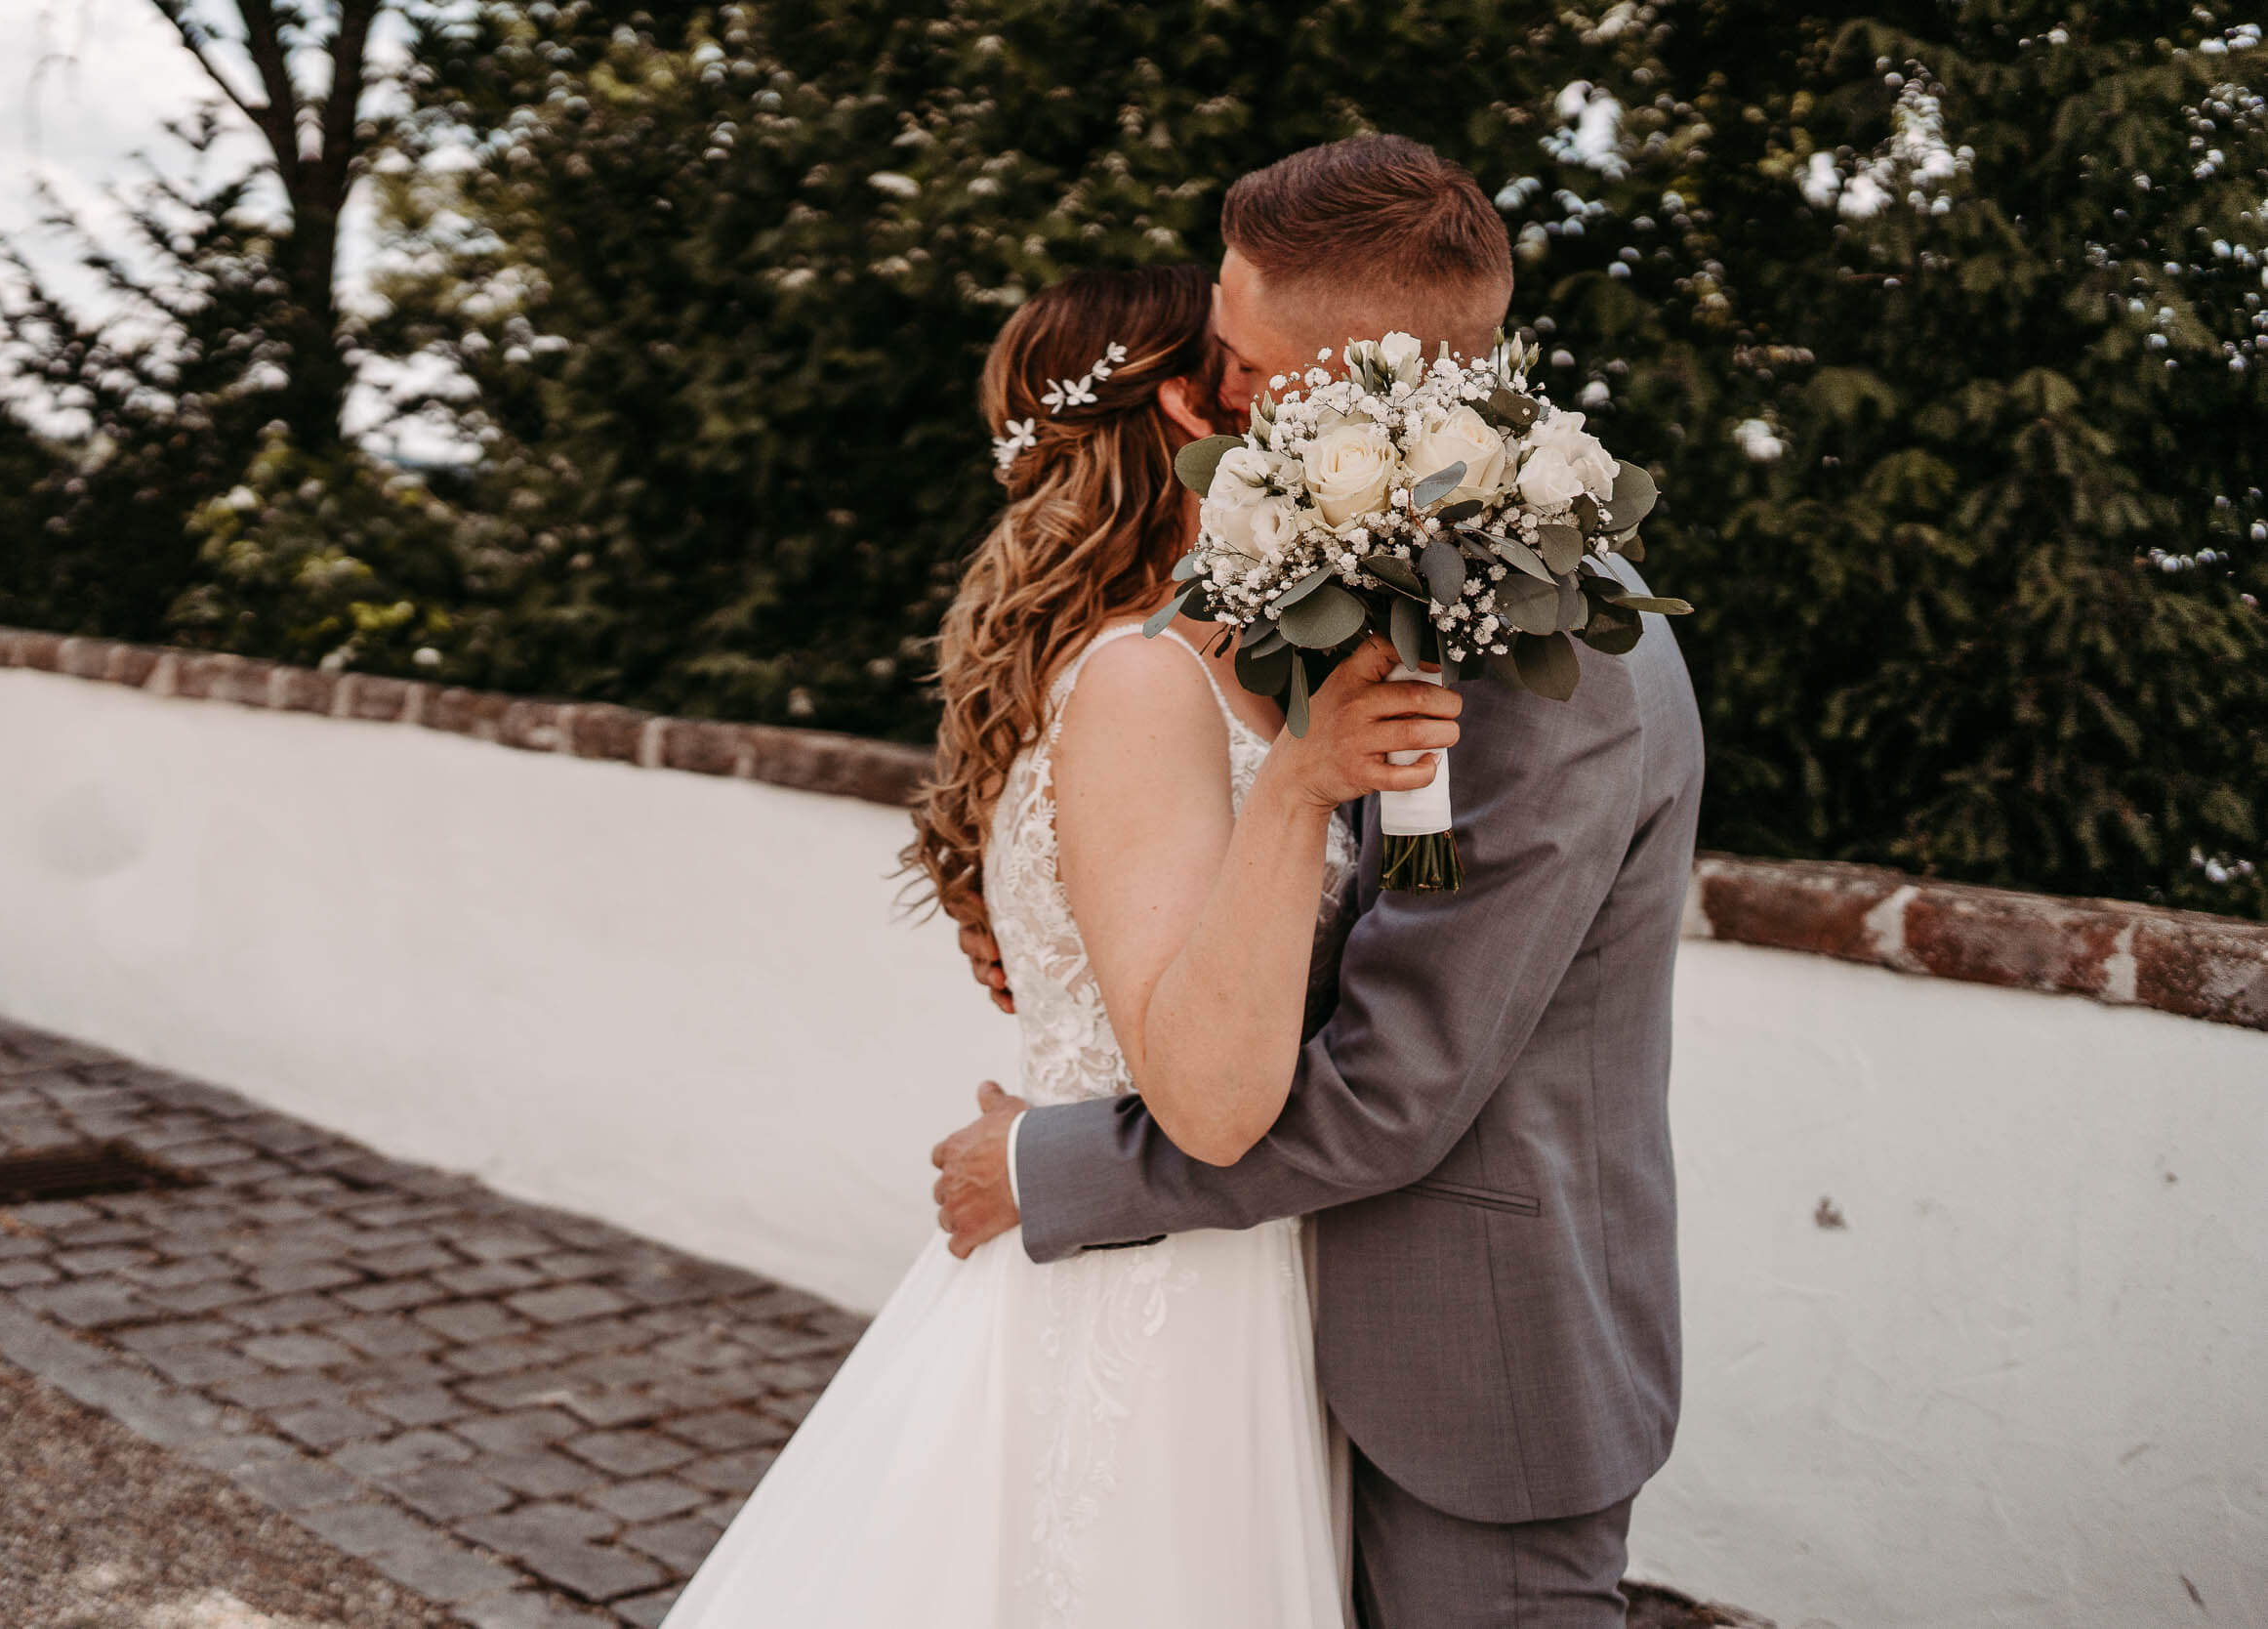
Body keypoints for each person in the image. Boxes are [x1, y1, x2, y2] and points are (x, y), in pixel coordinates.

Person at [932, 134, 1706, 1629]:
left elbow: (1403, 1076)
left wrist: (1056, 1164)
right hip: (1275, 1335)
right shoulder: (1358, 575)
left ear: (1328, 391)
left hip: (1472, 1362)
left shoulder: (1559, 660)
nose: (1215, 390)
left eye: (1236, 355)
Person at [660, 257, 1464, 1629]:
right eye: (1253, 381)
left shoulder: (1199, 665)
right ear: (1178, 413)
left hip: (1190, 1237)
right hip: (1161, 1289)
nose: (1296, 409)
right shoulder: (1145, 682)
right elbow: (1202, 1092)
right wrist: (1306, 783)